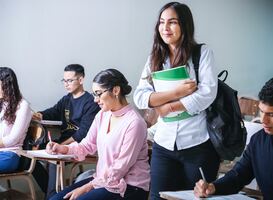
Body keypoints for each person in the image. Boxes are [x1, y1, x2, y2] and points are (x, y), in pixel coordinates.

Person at [134, 2, 220, 199]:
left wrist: (168, 106)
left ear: (185, 25)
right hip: (163, 144)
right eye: (162, 22)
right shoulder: (154, 57)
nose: (165, 28)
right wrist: (177, 93)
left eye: (172, 22)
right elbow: (140, 96)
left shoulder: (202, 53)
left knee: (195, 197)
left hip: (197, 143)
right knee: (158, 197)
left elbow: (207, 93)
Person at [47, 68, 150, 200]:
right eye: (94, 94)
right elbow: (87, 145)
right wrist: (63, 148)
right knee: (55, 199)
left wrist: (87, 187)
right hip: (104, 180)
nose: (95, 100)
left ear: (116, 90)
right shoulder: (102, 115)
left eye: (98, 94)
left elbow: (120, 168)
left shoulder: (135, 123)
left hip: (130, 186)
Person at [194, 77, 273, 200]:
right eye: (261, 112)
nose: (263, 120)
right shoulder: (258, 141)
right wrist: (213, 187)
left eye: (271, 114)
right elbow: (239, 175)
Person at [32, 64, 100, 198]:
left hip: (79, 145)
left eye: (70, 80)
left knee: (53, 161)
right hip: (63, 142)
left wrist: (62, 146)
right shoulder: (66, 99)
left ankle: (51, 196)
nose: (66, 84)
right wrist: (39, 115)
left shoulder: (90, 102)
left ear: (80, 80)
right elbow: (53, 111)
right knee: (32, 155)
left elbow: (82, 134)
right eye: (64, 80)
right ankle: (52, 194)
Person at [0, 67, 32, 173]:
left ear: (7, 85)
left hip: (9, 155)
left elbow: (12, 140)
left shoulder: (23, 106)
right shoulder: (2, 104)